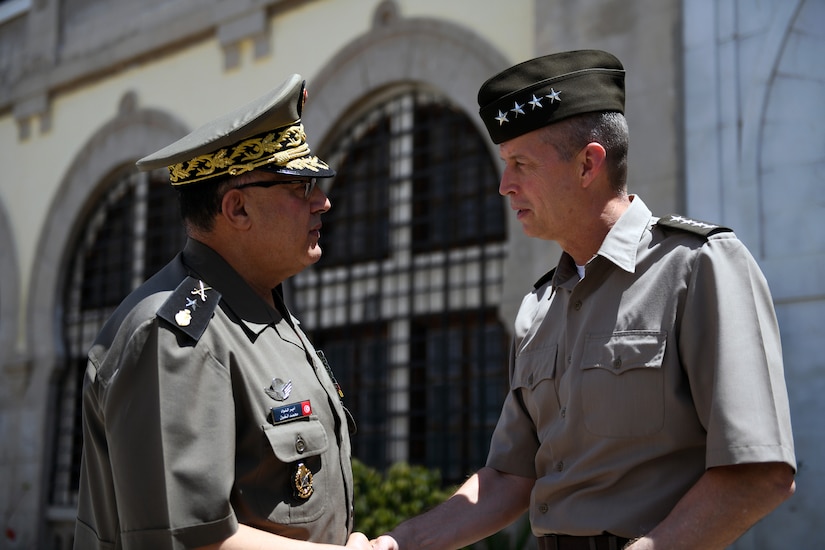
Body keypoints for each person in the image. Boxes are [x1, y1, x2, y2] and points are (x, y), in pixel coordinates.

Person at [372, 50, 796, 550]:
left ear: (588, 164)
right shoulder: (539, 307)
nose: (504, 184)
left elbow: (759, 469)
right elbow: (510, 478)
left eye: (520, 164)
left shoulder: (698, 267)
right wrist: (398, 544)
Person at [74, 74, 370, 550]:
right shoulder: (174, 337)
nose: (324, 201)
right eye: (302, 187)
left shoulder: (259, 314)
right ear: (236, 209)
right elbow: (189, 538)